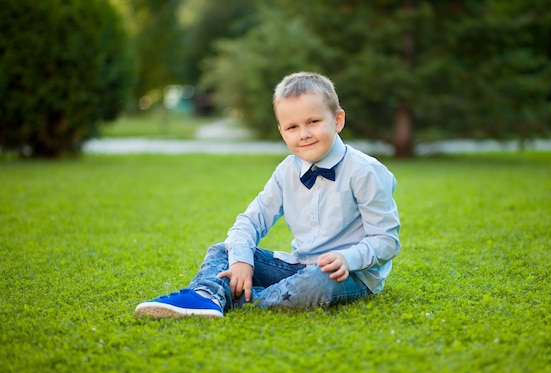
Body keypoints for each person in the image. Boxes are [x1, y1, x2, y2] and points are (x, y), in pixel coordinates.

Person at [135, 72, 400, 318]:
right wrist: (241, 261)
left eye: (314, 122)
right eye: (292, 127)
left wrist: (347, 258)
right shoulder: (287, 171)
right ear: (282, 132)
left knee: (318, 281)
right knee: (225, 250)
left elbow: (386, 240)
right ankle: (205, 296)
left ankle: (235, 298)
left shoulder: (366, 171)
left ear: (338, 120)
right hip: (298, 265)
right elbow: (250, 221)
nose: (304, 134)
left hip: (348, 274)